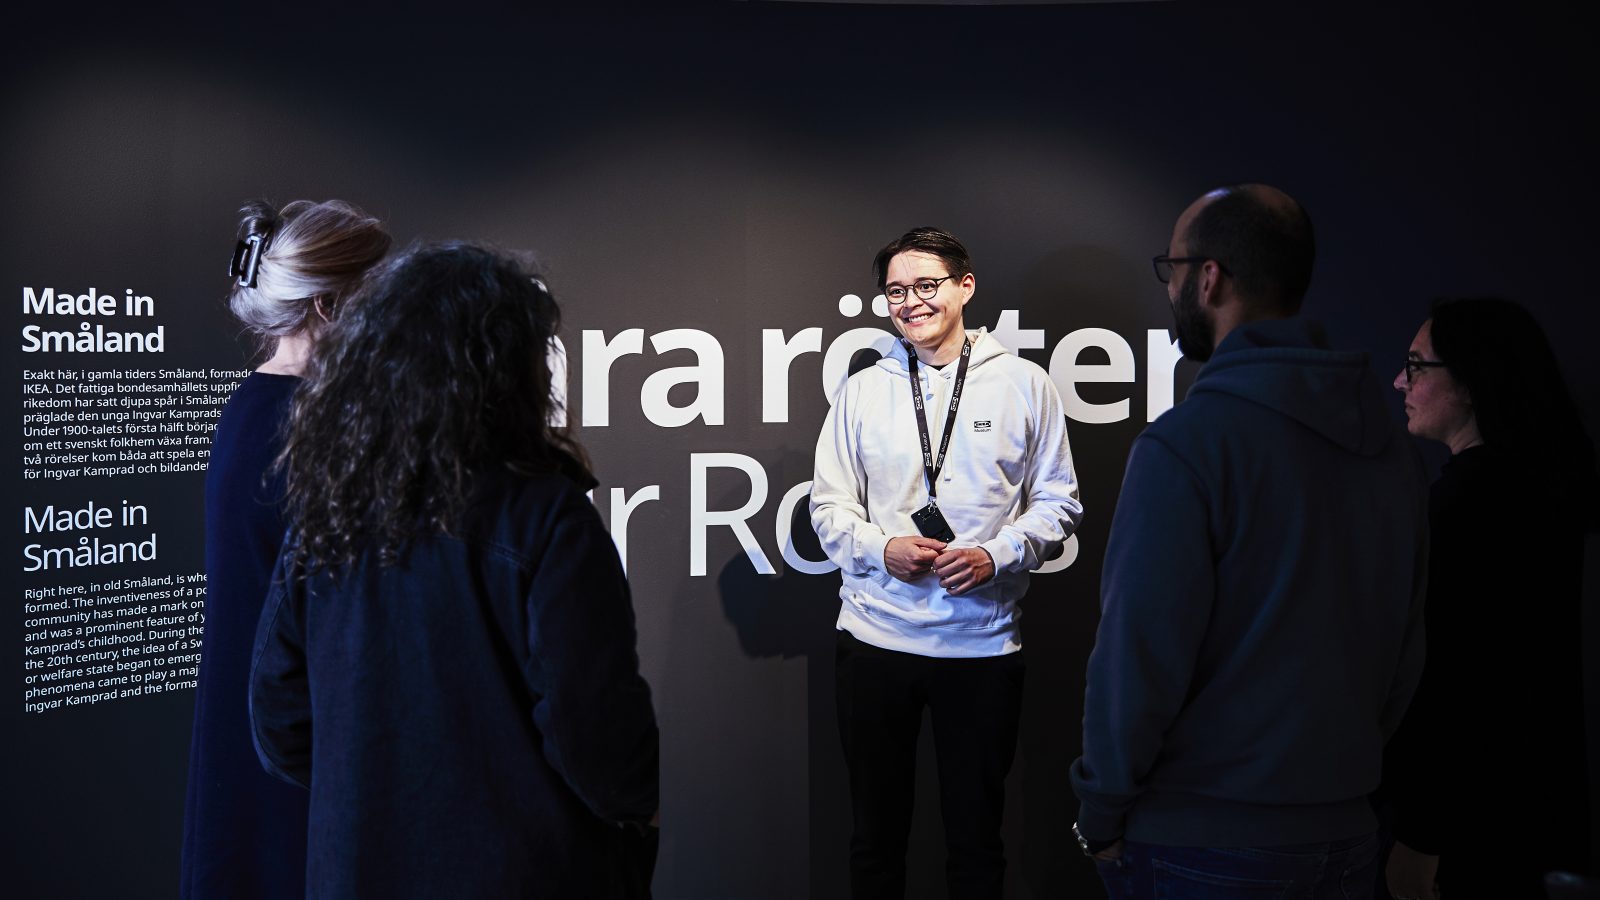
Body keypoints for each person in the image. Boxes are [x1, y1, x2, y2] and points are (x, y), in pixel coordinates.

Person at [248, 242, 659, 899]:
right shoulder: (544, 516)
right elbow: (595, 731)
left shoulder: (327, 513)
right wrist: (637, 815)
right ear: (512, 372)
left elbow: (279, 722)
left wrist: (369, 799)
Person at [1070, 185, 1429, 897]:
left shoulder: (1186, 446)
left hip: (1202, 841)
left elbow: (1137, 659)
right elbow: (1405, 650)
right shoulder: (1393, 450)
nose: (1169, 285)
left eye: (1169, 267)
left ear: (1208, 277)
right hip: (1347, 829)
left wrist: (1099, 812)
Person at [810, 227, 1083, 900]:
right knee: (874, 842)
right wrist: (882, 549)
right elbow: (828, 508)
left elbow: (1060, 501)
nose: (910, 302)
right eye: (896, 291)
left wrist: (997, 554)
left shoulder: (1025, 384)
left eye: (925, 285)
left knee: (977, 844)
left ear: (965, 286)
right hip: (876, 642)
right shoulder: (863, 390)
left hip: (983, 648)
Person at [182, 199, 390, 900]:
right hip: (291, 752)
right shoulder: (305, 426)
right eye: (375, 291)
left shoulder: (252, 407)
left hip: (259, 742)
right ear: (331, 305)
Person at [1382, 298, 1596, 899]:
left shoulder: (1472, 507)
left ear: (1472, 382)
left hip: (1472, 834)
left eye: (1417, 365)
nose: (1400, 379)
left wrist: (1423, 836)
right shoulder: (1538, 490)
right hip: (1531, 816)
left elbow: (1459, 683)